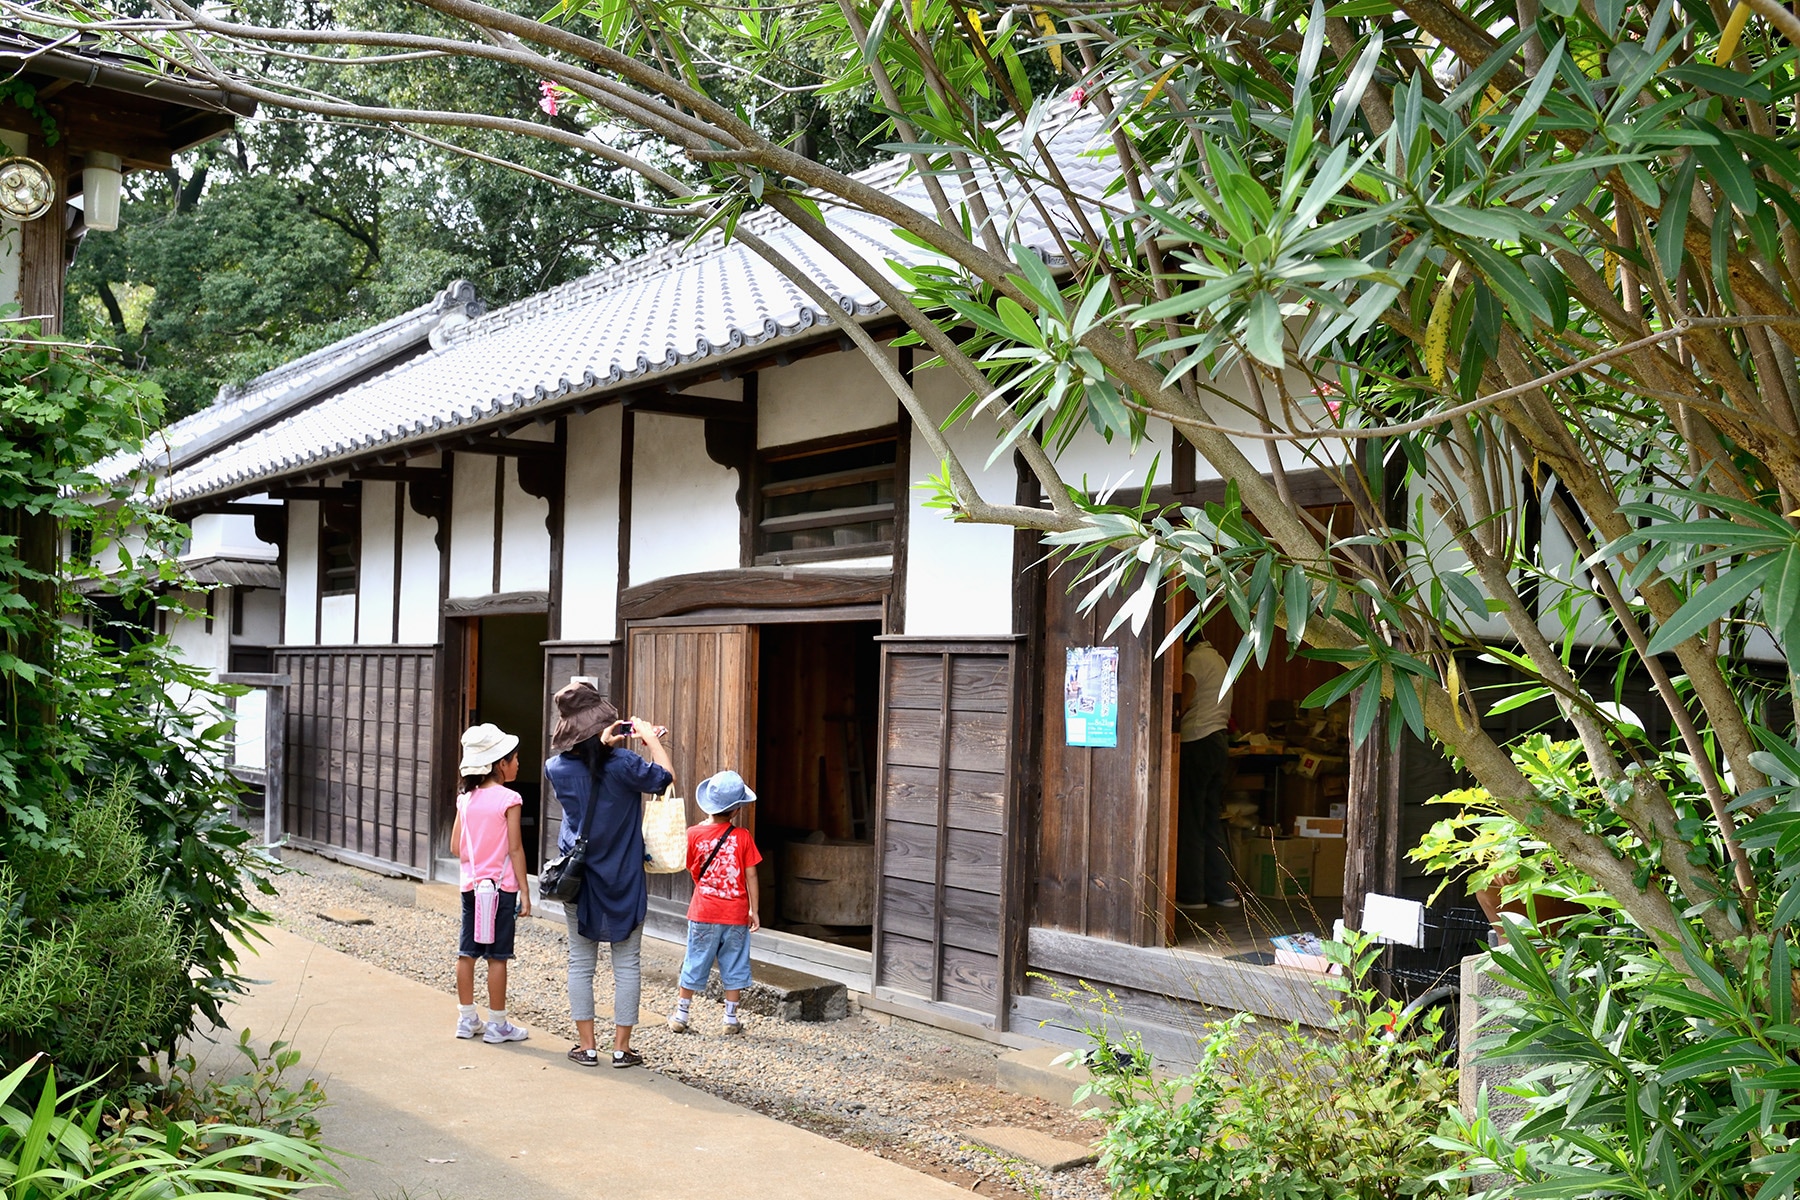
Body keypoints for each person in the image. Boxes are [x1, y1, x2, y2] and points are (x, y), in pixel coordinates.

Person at [543, 681, 674, 1069]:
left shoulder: (555, 769)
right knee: (627, 963)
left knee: (581, 962)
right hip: (623, 877)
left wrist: (605, 746)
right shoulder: (627, 766)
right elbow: (665, 779)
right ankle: (621, 1049)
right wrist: (650, 741)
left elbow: (588, 774)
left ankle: (586, 1047)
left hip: (578, 880)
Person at [451, 722, 532, 1042]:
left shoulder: (465, 799)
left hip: (471, 886)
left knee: (467, 951)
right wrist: (526, 891)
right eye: (514, 759)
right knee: (498, 955)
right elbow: (515, 848)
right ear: (501, 763)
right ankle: (497, 1024)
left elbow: (456, 848)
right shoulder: (509, 799)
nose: (517, 763)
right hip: (502, 888)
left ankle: (467, 1018)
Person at [668, 770, 761, 1036]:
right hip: (736, 914)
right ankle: (730, 1020)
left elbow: (689, 866)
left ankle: (681, 1014)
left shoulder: (693, 834)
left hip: (703, 911)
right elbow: (751, 874)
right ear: (735, 811)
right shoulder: (743, 837)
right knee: (734, 963)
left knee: (695, 959)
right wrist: (754, 909)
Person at [1178, 639, 1240, 910]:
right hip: (1218, 741)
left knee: (1191, 821)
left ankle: (1192, 896)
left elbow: (1184, 701)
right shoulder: (1220, 660)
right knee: (1211, 822)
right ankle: (1222, 892)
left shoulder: (1194, 660)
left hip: (1197, 740)